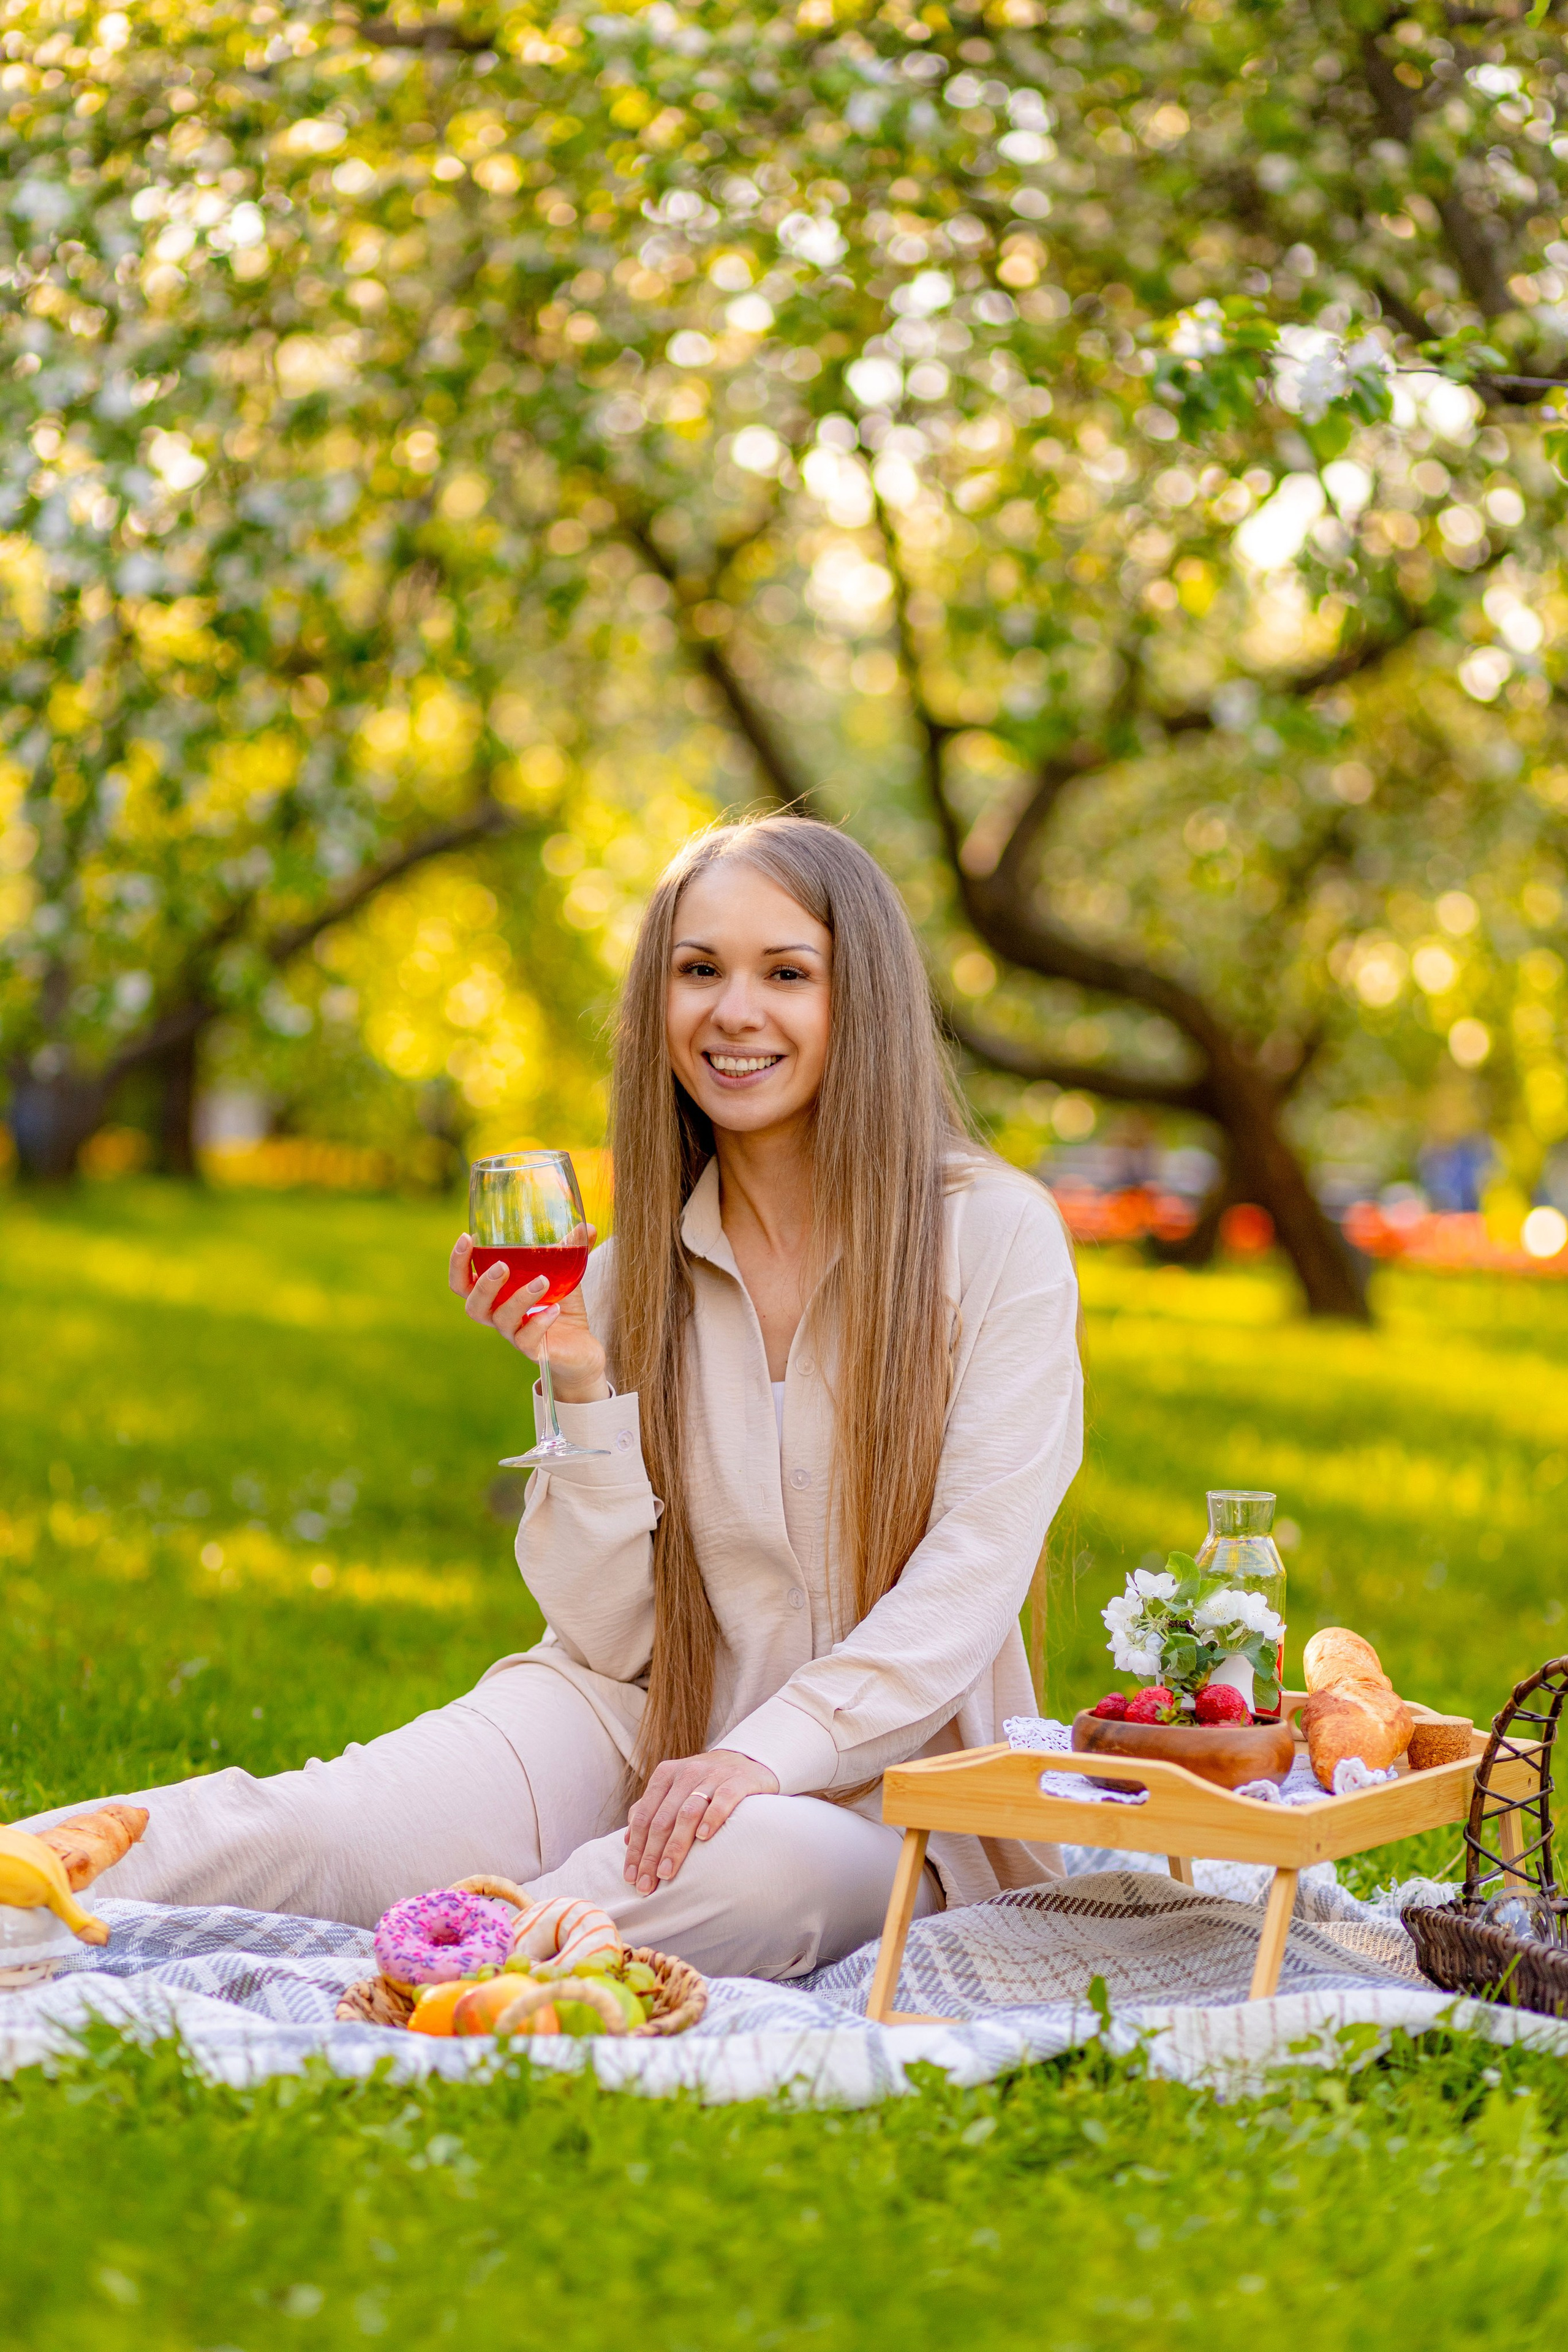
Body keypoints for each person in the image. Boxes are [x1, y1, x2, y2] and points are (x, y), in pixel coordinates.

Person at [23, 817, 1083, 1980]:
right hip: (634, 1722)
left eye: (787, 973)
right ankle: (26, 1889)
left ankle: (434, 1960)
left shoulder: (992, 1238)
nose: (734, 1012)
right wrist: (576, 1381)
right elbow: (607, 1631)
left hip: (886, 1799)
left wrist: (763, 1757)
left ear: (862, 999)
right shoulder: (632, 1274)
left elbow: (971, 1573)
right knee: (326, 1828)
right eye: (698, 971)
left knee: (732, 1873)